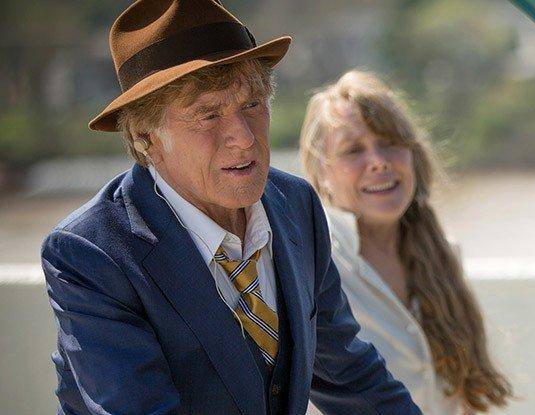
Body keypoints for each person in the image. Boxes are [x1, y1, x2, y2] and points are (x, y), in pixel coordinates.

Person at [40, 1, 420, 414]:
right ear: (145, 137)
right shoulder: (90, 253)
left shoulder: (297, 206)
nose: (244, 136)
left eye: (252, 104)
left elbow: (351, 378)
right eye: (208, 115)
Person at [298, 71, 514, 414]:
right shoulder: (308, 267)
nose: (378, 161)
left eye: (389, 143)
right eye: (353, 150)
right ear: (321, 172)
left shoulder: (443, 255)